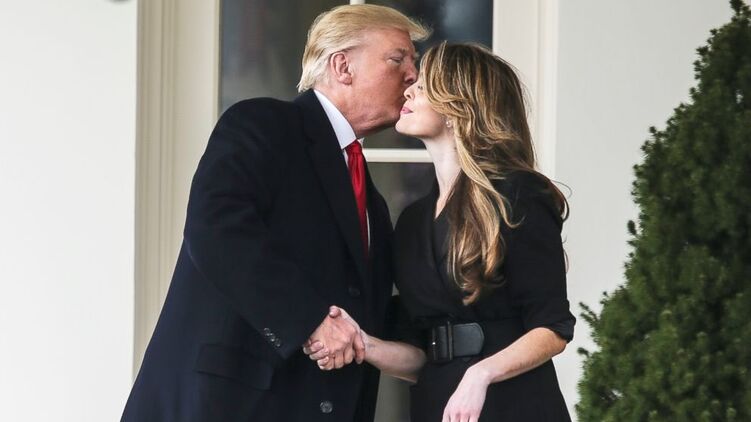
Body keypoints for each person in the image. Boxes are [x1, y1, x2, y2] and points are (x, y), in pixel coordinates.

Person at [120, 5, 429, 422]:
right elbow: (217, 230)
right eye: (397, 59)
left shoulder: (371, 199)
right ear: (343, 66)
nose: (412, 75)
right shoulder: (263, 124)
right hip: (224, 405)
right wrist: (309, 320)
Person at [305, 42, 576, 422]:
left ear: (458, 107)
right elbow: (419, 356)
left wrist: (480, 376)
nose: (408, 90)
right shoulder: (413, 220)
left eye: (424, 86)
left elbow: (553, 328)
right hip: (439, 404)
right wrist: (362, 343)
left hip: (512, 404)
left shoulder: (517, 195)